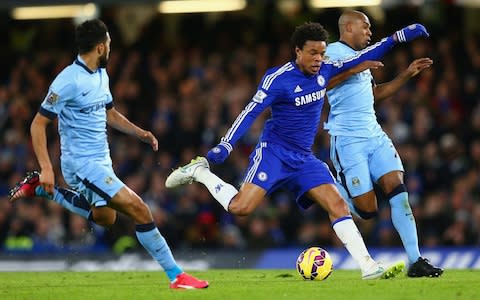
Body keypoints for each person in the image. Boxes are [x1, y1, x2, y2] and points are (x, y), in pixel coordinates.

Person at [166, 21, 429, 279]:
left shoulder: (325, 70)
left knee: (338, 204)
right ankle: (200, 172)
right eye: (313, 53)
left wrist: (398, 37)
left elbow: (365, 54)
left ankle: (368, 266)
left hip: (304, 158)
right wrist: (226, 143)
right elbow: (250, 112)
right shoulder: (277, 78)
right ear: (298, 51)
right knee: (240, 208)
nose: (318, 59)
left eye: (322, 53)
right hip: (274, 154)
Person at [8, 19, 208, 289]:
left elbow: (109, 113)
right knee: (140, 208)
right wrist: (46, 168)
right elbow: (37, 124)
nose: (111, 49)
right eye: (110, 44)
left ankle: (46, 191)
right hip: (81, 164)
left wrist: (140, 133)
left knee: (106, 218)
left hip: (101, 161)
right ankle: (176, 275)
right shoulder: (68, 80)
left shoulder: (101, 74)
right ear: (101, 47)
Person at [324, 10, 443, 277]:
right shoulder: (331, 52)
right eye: (365, 27)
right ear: (349, 27)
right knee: (367, 211)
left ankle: (415, 261)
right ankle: (328, 188)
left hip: (374, 136)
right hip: (347, 140)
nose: (369, 32)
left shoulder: (364, 61)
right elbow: (322, 84)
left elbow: (374, 94)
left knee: (398, 192)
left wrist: (406, 74)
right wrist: (357, 66)